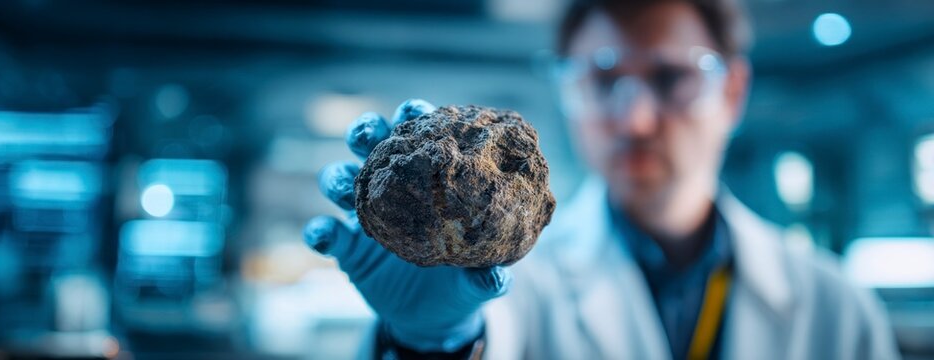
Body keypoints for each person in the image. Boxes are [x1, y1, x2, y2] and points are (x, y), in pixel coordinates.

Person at [303, 0, 901, 359]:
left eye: (670, 78)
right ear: (569, 91)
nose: (635, 118)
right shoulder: (511, 292)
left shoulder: (837, 309)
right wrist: (430, 346)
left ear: (734, 90)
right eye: (602, 80)